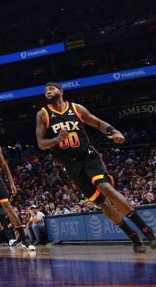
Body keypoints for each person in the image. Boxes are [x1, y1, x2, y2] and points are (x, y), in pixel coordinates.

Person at [36, 82, 156, 253]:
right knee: (102, 203)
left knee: (105, 187)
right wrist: (56, 140)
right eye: (46, 90)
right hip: (70, 165)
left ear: (61, 92)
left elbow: (98, 123)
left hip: (88, 156)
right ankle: (133, 236)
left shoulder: (76, 108)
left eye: (52, 89)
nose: (48, 91)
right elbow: (41, 143)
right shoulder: (43, 114)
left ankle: (146, 230)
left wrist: (114, 131)